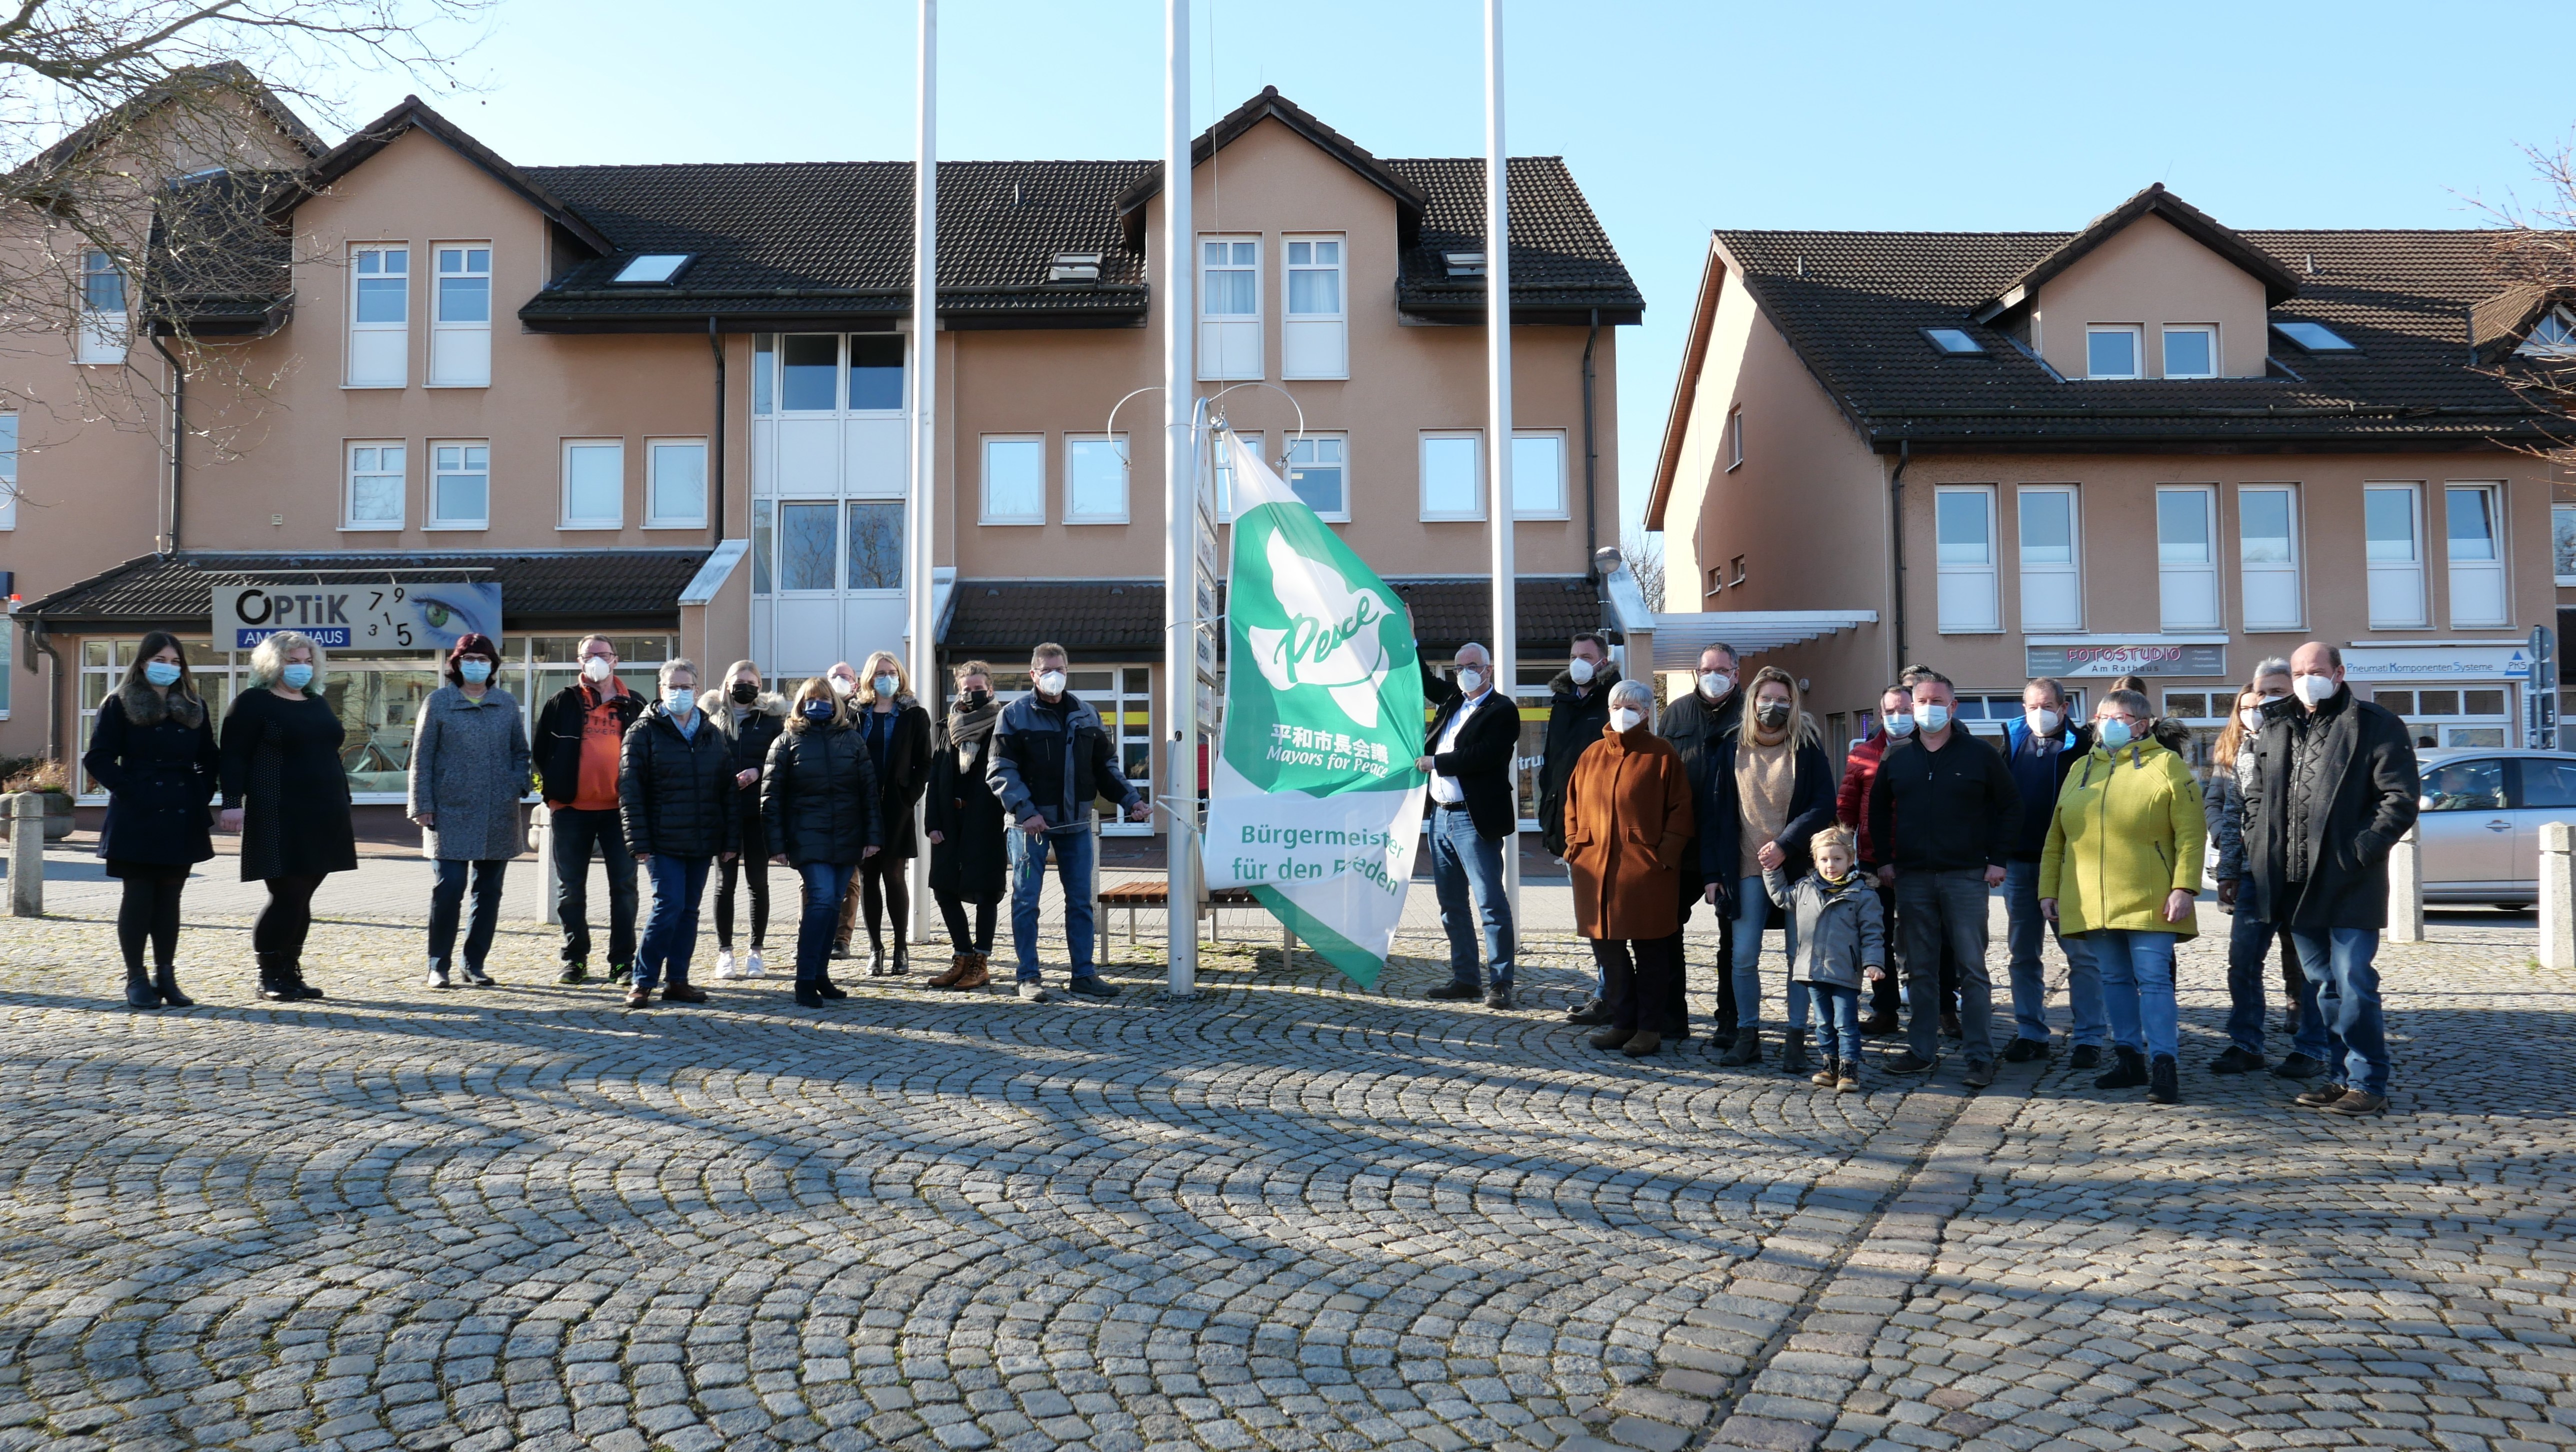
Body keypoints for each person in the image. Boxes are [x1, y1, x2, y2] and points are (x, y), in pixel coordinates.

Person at [2245, 642, 2419, 1116]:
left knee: (2354, 980)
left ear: (2339, 673)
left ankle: (2369, 1081)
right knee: (2323, 986)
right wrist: (2259, 845)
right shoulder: (2277, 724)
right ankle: (2340, 1078)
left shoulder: (2374, 723)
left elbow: (2400, 798)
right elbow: (2257, 795)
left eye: (2316, 670)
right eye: (2299, 671)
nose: (2306, 679)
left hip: (2349, 880)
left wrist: (2360, 850)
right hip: (2293, 883)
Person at [2040, 688, 2206, 1106]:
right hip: (2092, 898)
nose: (2110, 723)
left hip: (2153, 898)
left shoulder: (2166, 764)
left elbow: (2191, 833)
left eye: (2121, 716)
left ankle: (2165, 1064)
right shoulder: (2080, 769)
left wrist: (2185, 887)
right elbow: (2056, 838)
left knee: (2153, 980)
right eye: (2103, 716)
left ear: (2142, 724)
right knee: (2112, 980)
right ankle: (2129, 1057)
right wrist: (2048, 889)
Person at [1866, 670, 2018, 1086]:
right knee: (1920, 970)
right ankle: (1920, 1051)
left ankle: (1979, 1057)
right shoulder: (1897, 757)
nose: (1929, 708)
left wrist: (1997, 860)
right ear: (1912, 707)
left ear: (1953, 708)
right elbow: (1877, 809)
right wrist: (1884, 860)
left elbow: (2010, 807)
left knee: (1972, 969)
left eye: (1938, 701)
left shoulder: (1980, 755)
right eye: (1922, 701)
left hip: (1967, 876)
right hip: (1912, 878)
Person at [990, 644, 1150, 1002]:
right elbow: (1000, 770)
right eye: (1047, 669)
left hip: (1076, 825)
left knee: (1080, 901)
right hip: (1028, 828)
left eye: (1060, 668)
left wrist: (1133, 801)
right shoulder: (1013, 715)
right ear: (1033, 674)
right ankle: (1029, 977)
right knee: (1027, 901)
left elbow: (1106, 767)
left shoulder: (1087, 714)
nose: (1054, 675)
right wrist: (1026, 811)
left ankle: (1084, 975)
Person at [1700, 666, 1834, 1070]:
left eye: (1782, 699)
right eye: (1766, 698)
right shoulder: (1728, 747)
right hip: (1743, 867)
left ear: (1793, 704)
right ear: (1752, 701)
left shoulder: (1806, 747)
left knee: (1799, 956)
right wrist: (1711, 874)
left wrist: (1785, 845)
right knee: (1743, 956)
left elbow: (1823, 806)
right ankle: (1748, 1035)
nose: (1773, 706)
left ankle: (1796, 1039)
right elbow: (1712, 814)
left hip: (1797, 869)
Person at [218, 630, 358, 1002]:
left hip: (326, 811)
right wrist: (232, 801)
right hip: (278, 811)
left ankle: (291, 971)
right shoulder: (252, 703)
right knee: (287, 894)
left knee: (304, 896)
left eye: (307, 661)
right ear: (272, 663)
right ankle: (269, 975)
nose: (301, 668)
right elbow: (232, 756)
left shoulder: (316, 702)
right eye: (293, 661)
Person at [82, 631, 219, 1010]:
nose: (169, 668)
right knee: (139, 896)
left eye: (176, 662)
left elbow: (210, 756)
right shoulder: (120, 703)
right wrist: (131, 790)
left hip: (182, 811)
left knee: (170, 898)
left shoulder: (193, 705)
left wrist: (200, 792)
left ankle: (166, 975)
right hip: (137, 813)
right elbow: (98, 758)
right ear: (143, 662)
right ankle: (136, 978)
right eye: (161, 659)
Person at [2206, 661, 2326, 1078]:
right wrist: (2228, 872)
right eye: (2260, 692)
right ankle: (2245, 1044)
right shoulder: (2245, 747)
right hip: (2256, 875)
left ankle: (2312, 1048)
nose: (2263, 701)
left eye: (2275, 691)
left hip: (2302, 873)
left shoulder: (2314, 740)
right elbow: (2237, 811)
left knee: (2311, 967)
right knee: (2243, 962)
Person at [1564, 679, 1692, 1056]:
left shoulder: (1662, 754)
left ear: (1647, 712)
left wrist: (1662, 857)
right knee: (1608, 953)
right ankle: (1623, 1023)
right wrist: (1575, 846)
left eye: (1632, 706)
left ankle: (1649, 1029)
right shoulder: (1591, 755)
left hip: (1645, 874)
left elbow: (1682, 813)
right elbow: (1571, 806)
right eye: (1617, 705)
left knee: (1651, 954)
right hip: (1595, 871)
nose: (1623, 712)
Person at [408, 633, 530, 988]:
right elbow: (421, 758)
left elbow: (520, 752)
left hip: (497, 811)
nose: (476, 665)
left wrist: (516, 783)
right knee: (449, 887)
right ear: (456, 664)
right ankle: (438, 965)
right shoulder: (438, 702)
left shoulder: (505, 704)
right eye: (469, 658)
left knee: (489, 892)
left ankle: (474, 963)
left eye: (483, 659)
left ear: (493, 666)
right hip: (449, 811)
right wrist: (422, 805)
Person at [617, 659, 737, 1009]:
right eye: (673, 686)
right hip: (661, 839)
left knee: (688, 910)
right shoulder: (643, 731)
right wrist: (637, 840)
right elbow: (630, 788)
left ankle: (678, 980)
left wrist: (730, 841)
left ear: (697, 690)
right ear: (661, 689)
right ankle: (643, 981)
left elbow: (726, 789)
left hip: (701, 839)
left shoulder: (711, 733)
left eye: (686, 687)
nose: (680, 693)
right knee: (667, 906)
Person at [1998, 676, 2103, 1065]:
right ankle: (2031, 1033)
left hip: (2070, 865)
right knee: (2023, 954)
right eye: (2031, 707)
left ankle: (2089, 1038)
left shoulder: (2085, 746)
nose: (2038, 714)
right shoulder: (2011, 740)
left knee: (2082, 955)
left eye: (2046, 706)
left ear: (2063, 708)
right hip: (2020, 864)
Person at [763, 677, 884, 1008]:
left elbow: (868, 794)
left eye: (825, 699)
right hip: (807, 836)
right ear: (801, 704)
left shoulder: (852, 741)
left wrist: (873, 837)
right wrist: (776, 844)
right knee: (819, 902)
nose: (819, 704)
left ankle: (820, 974)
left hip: (848, 836)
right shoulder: (787, 742)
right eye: (811, 699)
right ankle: (804, 979)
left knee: (833, 903)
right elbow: (771, 798)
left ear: (836, 704)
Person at [532, 634, 644, 986]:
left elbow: (648, 754)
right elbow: (540, 754)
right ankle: (575, 960)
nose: (596, 661)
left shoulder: (634, 703)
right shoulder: (562, 702)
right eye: (588, 655)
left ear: (615, 659)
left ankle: (622, 963)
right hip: (570, 809)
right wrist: (552, 793)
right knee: (570, 890)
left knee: (625, 888)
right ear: (579, 662)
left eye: (602, 654)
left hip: (620, 812)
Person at [1417, 641, 1524, 1010]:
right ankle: (1465, 979)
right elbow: (1423, 680)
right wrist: (1414, 641)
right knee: (1451, 904)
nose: (1465, 672)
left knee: (1490, 902)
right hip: (1440, 816)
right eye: (1460, 666)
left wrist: (1437, 763)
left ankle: (1501, 982)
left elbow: (1482, 756)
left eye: (1473, 665)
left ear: (1488, 670)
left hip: (1473, 819)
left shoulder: (1502, 710)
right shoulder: (1453, 699)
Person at [1654, 642, 1746, 1038]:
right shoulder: (1675, 713)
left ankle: (1730, 1019)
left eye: (1722, 669)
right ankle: (1672, 1018)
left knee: (1732, 938)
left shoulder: (1751, 714)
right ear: (1696, 672)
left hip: (1732, 846)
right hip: (1682, 843)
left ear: (1736, 674)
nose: (1713, 676)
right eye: (1707, 669)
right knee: (1666, 929)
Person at [1764, 824, 1884, 1095]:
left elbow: (1873, 933)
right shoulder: (1805, 889)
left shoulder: (1863, 895)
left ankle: (1849, 1068)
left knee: (1846, 1023)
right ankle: (1829, 1065)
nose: (1831, 865)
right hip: (1812, 970)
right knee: (1822, 1022)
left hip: (1844, 970)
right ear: (1816, 861)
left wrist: (1873, 962)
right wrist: (1771, 871)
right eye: (1824, 859)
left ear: (1851, 860)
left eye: (1838, 859)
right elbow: (1782, 898)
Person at [834, 650, 932, 974]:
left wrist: (909, 795)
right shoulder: (856, 712)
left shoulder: (914, 714)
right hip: (861, 806)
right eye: (879, 674)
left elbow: (924, 762)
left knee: (894, 875)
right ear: (868, 679)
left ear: (900, 676)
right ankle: (876, 948)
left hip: (897, 807)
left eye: (891, 672)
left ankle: (901, 949)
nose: (885, 679)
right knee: (869, 878)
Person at [1543, 632, 1621, 1023]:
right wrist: (1550, 819)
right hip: (1572, 828)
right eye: (1574, 655)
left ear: (1603, 662)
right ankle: (1608, 993)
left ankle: (1612, 995)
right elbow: (1552, 766)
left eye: (1587, 656)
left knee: (1607, 918)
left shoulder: (1613, 702)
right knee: (1591, 918)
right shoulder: (1562, 702)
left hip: (1605, 828)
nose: (1578, 662)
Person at [926, 660, 1009, 990]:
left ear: (990, 689)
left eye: (979, 689)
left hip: (988, 819)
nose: (973, 694)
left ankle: (981, 962)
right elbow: (936, 776)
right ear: (958, 689)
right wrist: (932, 822)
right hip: (950, 819)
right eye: (967, 688)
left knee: (987, 890)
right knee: (944, 887)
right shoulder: (949, 726)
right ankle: (961, 955)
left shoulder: (1002, 724)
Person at [1835, 686, 1912, 1040]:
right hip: (1870, 860)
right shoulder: (1864, 755)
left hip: (1920, 860)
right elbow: (1846, 808)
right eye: (1890, 711)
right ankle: (1885, 1010)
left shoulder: (1933, 749)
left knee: (1930, 936)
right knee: (1875, 937)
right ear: (1880, 715)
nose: (1898, 717)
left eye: (1905, 709)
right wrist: (1841, 853)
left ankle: (1942, 1008)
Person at [703, 660, 786, 980]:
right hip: (724, 813)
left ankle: (756, 952)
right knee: (724, 885)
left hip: (757, 813)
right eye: (739, 681)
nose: (745, 687)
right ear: (727, 684)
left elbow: (779, 760)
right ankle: (725, 952)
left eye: (752, 681)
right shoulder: (710, 720)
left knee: (758, 883)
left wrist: (756, 771)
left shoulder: (771, 721)